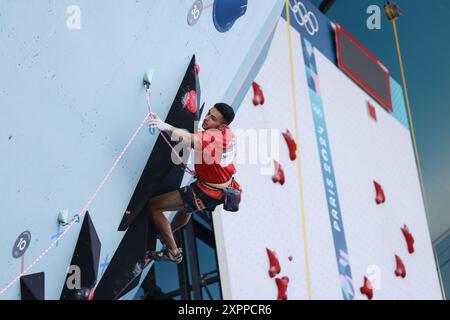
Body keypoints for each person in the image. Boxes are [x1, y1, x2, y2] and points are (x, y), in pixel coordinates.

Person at [146, 102, 240, 263]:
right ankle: (169, 232)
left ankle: (173, 252)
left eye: (213, 118)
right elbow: (217, 158)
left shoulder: (214, 137)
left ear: (222, 126)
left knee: (154, 206)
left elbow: (189, 139)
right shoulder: (228, 134)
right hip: (220, 186)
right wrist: (205, 172)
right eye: (209, 113)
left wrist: (165, 126)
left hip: (207, 192)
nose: (207, 119)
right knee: (188, 209)